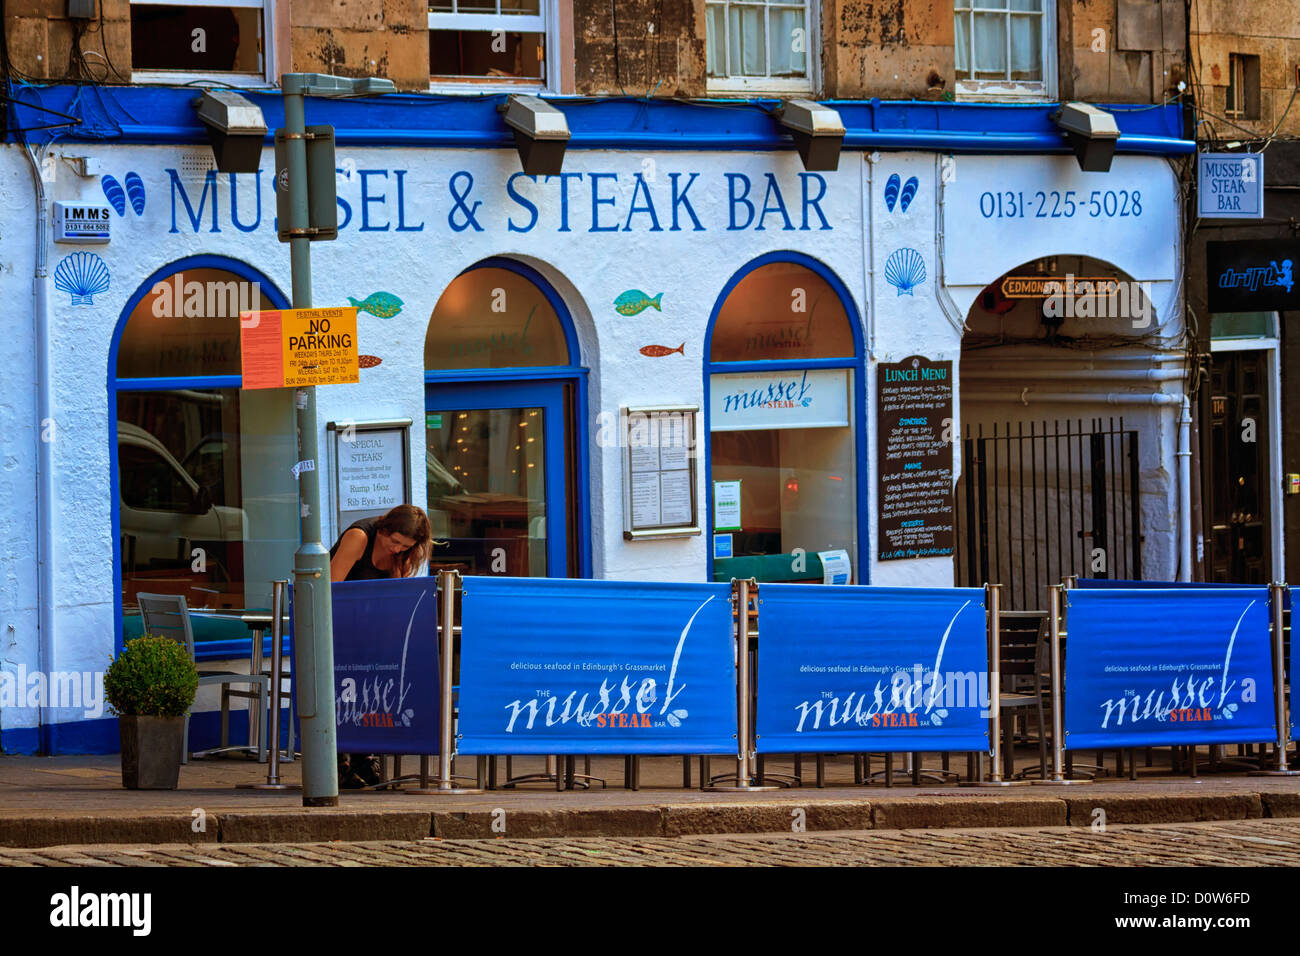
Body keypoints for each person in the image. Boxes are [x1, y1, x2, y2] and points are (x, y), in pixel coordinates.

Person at [328, 504, 434, 788]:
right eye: (394, 541)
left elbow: (395, 595)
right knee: (342, 690)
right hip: (337, 624)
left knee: (375, 686)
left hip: (368, 627)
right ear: (384, 529)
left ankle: (364, 754)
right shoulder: (359, 537)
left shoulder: (405, 554)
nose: (397, 549)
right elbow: (330, 586)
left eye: (405, 546)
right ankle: (339, 761)